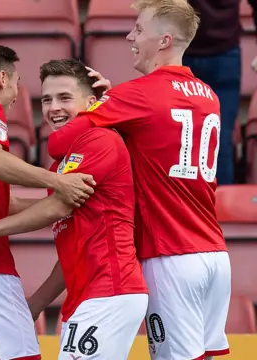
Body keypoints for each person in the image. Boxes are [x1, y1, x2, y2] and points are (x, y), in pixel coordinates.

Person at [47, 1, 231, 359]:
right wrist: (115, 106)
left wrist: (100, 107)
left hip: (170, 255)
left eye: (138, 29)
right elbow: (156, 131)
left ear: (163, 41)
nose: (130, 36)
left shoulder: (136, 95)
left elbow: (58, 143)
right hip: (214, 254)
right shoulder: (209, 95)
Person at [0, 59, 148, 360]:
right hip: (88, 296)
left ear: (92, 102)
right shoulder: (62, 162)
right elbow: (70, 252)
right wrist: (35, 304)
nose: (54, 108)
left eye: (65, 98)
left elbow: (57, 206)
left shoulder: (99, 139)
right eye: (47, 100)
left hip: (110, 290)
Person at [0, 42, 100, 360]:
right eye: (44, 98)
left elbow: (1, 204)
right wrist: (56, 184)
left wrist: (58, 201)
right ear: (3, 79)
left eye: (63, 98)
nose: (19, 95)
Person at [185, 0, 257, 185]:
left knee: (182, 134)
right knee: (219, 136)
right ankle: (222, 207)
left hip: (183, 49)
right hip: (222, 52)